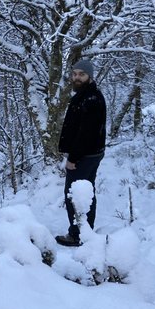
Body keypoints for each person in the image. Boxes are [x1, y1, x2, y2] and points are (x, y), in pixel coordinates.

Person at [55, 59, 107, 247]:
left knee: (75, 195)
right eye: (75, 73)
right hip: (90, 153)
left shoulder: (91, 99)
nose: (77, 77)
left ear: (89, 76)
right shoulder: (85, 95)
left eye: (81, 74)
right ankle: (85, 232)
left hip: (85, 155)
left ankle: (78, 235)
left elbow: (86, 134)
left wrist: (73, 158)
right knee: (86, 193)